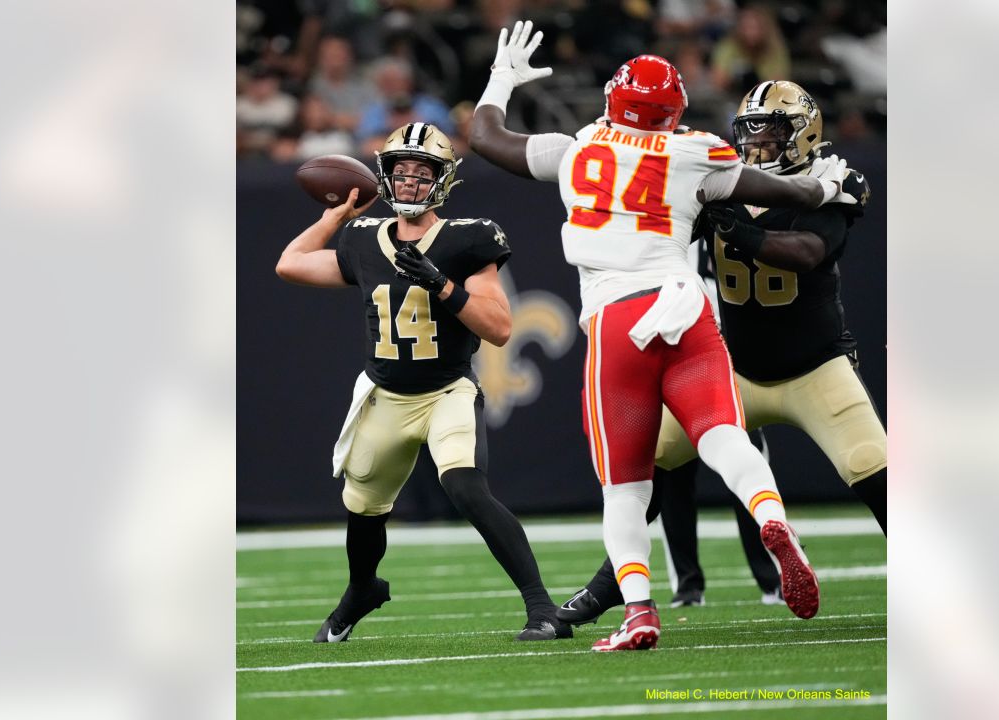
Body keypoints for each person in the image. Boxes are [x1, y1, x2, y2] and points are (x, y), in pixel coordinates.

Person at [469, 22, 859, 651]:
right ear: (673, 113)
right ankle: (773, 520)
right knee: (725, 437)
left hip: (617, 317)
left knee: (626, 485)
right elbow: (782, 188)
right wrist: (826, 188)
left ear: (612, 101)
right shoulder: (694, 151)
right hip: (686, 305)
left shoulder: (579, 148)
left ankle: (641, 612)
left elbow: (486, 138)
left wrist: (502, 78)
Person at [558, 80, 887, 622]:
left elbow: (808, 251)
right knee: (648, 465)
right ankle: (606, 588)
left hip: (815, 367)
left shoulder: (827, 180)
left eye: (772, 131)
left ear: (803, 135)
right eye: (750, 131)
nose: (758, 143)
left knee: (874, 471)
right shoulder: (720, 179)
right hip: (737, 367)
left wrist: (743, 235)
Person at [274, 122, 572, 642]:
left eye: (422, 172)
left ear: (444, 179)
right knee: (362, 509)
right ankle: (361, 591)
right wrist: (333, 217)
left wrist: (441, 283)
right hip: (385, 395)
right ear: (384, 177)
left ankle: (542, 607)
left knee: (464, 485)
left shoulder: (466, 237)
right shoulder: (364, 239)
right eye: (400, 172)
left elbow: (500, 329)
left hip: (445, 390)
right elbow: (290, 264)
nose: (410, 182)